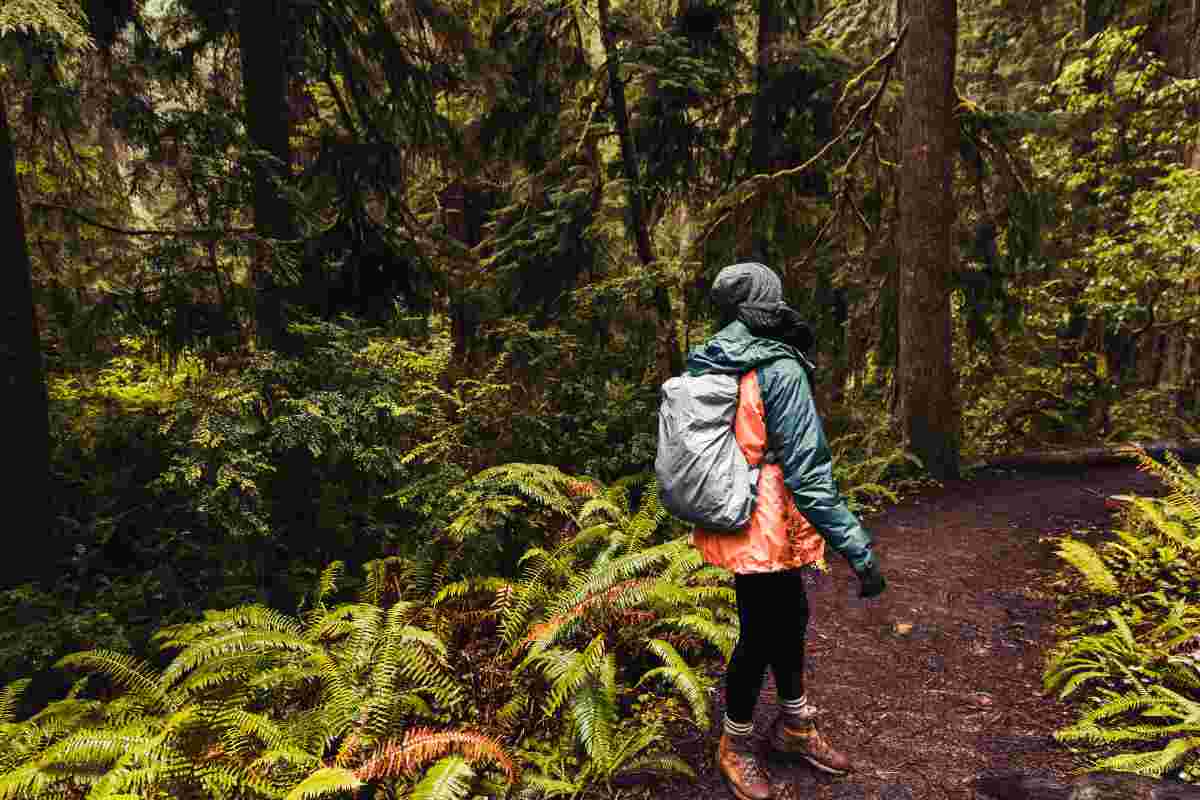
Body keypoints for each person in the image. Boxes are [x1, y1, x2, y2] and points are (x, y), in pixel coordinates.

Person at [687, 262, 886, 800]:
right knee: (760, 630)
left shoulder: (714, 356)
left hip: (736, 502)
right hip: (766, 514)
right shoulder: (779, 367)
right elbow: (809, 472)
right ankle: (735, 743)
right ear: (771, 305)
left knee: (789, 613)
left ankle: (795, 725)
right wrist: (857, 548)